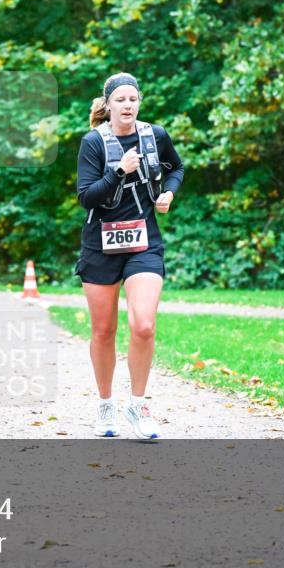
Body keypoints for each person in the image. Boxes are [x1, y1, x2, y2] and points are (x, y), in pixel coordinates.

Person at [75, 72, 185, 440]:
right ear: (107, 105)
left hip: (143, 242)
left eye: (133, 99)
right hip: (100, 246)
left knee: (144, 325)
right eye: (120, 100)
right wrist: (119, 172)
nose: (127, 105)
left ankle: (137, 405)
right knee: (104, 331)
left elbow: (177, 168)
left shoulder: (155, 137)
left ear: (139, 102)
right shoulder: (94, 142)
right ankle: (105, 404)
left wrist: (168, 193)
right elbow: (87, 197)